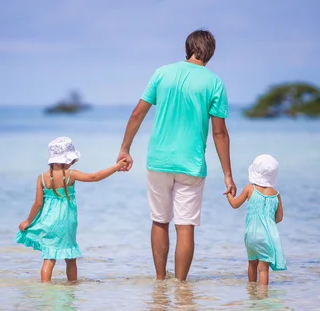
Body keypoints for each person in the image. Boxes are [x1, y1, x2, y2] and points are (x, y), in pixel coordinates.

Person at [117, 29, 236, 281]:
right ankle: (181, 286)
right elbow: (220, 134)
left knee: (159, 221)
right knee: (185, 226)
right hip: (191, 164)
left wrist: (125, 149)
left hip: (159, 160)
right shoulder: (214, 83)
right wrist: (228, 175)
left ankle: (160, 281)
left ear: (187, 48)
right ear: (210, 53)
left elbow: (138, 113)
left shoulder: (162, 73)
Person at [16, 136, 127, 282]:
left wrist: (28, 221)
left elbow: (37, 204)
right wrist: (116, 167)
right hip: (66, 222)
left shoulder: (42, 177)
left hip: (48, 222)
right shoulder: (70, 175)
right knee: (70, 257)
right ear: (68, 159)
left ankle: (44, 288)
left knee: (49, 258)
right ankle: (72, 286)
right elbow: (94, 177)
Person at [226, 154, 287, 285]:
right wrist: (268, 222)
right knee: (263, 268)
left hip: (251, 234)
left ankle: (251, 290)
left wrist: (229, 196)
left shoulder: (250, 188)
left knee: (252, 262)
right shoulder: (276, 194)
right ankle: (263, 295)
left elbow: (235, 204)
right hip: (267, 234)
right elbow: (280, 217)